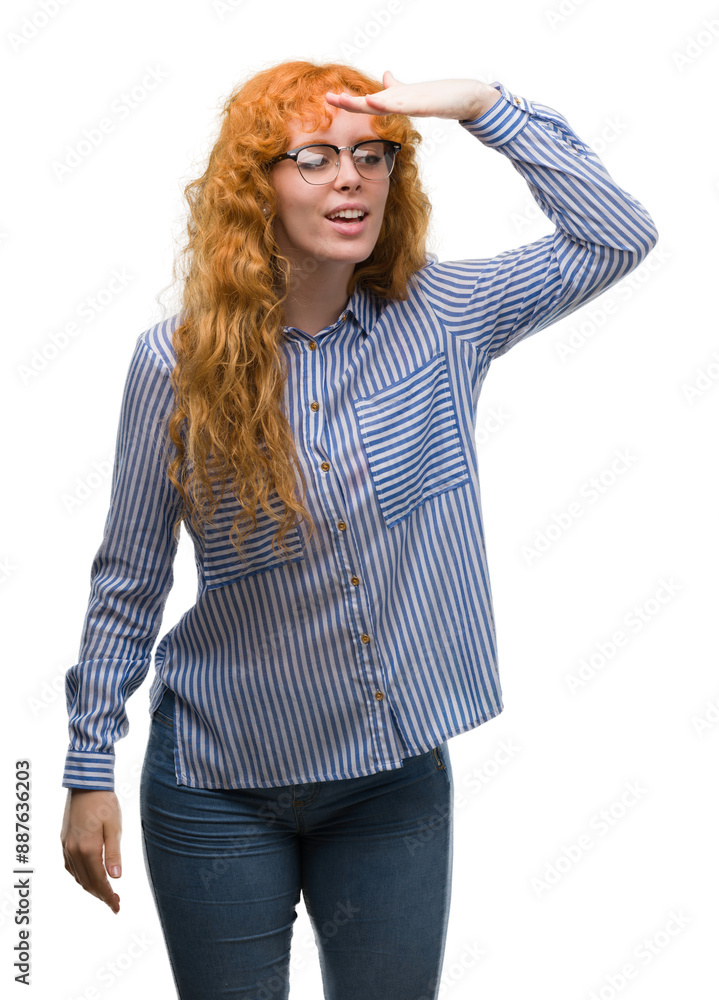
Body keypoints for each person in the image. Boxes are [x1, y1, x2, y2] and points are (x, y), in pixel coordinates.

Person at [60, 60, 658, 999]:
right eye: (314, 157)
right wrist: (88, 765)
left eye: (370, 155)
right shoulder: (172, 365)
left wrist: (484, 108)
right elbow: (129, 576)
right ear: (256, 186)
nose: (351, 178)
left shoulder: (445, 318)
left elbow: (615, 235)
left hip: (390, 781)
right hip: (220, 779)